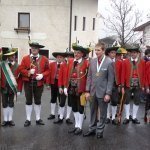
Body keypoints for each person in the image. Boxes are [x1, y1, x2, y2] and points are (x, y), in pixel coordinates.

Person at [83, 42, 114, 139]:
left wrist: (108, 93)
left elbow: (110, 80)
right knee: (92, 111)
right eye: (95, 50)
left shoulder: (109, 62)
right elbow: (89, 77)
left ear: (103, 51)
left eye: (98, 50)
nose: (96, 52)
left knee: (103, 113)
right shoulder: (92, 61)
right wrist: (87, 91)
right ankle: (92, 129)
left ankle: (100, 130)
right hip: (92, 91)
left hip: (103, 92)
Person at [19, 42, 49, 127]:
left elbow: (48, 70)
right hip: (28, 83)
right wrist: (28, 72)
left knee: (38, 101)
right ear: (31, 49)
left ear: (38, 49)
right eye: (32, 48)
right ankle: (28, 119)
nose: (34, 49)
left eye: (35, 48)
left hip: (39, 83)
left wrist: (42, 75)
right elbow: (21, 69)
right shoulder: (25, 58)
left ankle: (38, 118)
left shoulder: (44, 59)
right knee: (28, 101)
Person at [64, 43, 89, 135]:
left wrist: (87, 90)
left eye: (78, 53)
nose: (76, 54)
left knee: (80, 108)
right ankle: (76, 126)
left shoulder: (86, 63)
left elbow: (89, 78)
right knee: (74, 107)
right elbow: (67, 75)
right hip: (71, 88)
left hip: (81, 89)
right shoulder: (70, 61)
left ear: (82, 54)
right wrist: (65, 87)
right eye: (75, 52)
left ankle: (80, 127)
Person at [121, 48, 145, 124]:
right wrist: (122, 85)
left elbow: (144, 74)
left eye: (135, 52)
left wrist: (143, 85)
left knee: (137, 100)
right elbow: (123, 73)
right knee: (127, 100)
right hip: (128, 84)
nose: (133, 54)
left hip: (138, 84)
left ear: (138, 53)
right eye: (132, 52)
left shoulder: (142, 62)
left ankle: (134, 117)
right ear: (130, 53)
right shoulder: (125, 62)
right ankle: (127, 117)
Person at [0, 47, 22, 127]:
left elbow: (20, 79)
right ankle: (5, 120)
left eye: (14, 55)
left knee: (11, 103)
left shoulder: (18, 66)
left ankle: (10, 119)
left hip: (13, 88)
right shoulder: (2, 64)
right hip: (4, 87)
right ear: (8, 56)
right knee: (4, 104)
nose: (13, 56)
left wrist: (19, 89)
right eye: (11, 55)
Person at [46, 52, 66, 121]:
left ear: (63, 58)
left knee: (61, 100)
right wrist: (48, 84)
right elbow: (48, 74)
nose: (59, 59)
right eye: (58, 57)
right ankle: (52, 114)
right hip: (53, 83)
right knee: (53, 98)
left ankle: (60, 114)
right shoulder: (51, 64)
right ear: (56, 58)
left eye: (61, 57)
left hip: (62, 84)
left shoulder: (66, 65)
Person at [56, 51, 74, 124]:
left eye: (71, 56)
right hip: (63, 86)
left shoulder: (75, 65)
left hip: (71, 86)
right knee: (62, 102)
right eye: (68, 56)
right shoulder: (63, 64)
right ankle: (61, 117)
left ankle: (68, 117)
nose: (69, 58)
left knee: (70, 102)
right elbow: (60, 77)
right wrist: (60, 87)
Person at [144, 48, 150, 123]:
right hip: (149, 85)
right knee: (148, 102)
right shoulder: (148, 63)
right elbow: (146, 76)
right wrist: (147, 87)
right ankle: (146, 116)